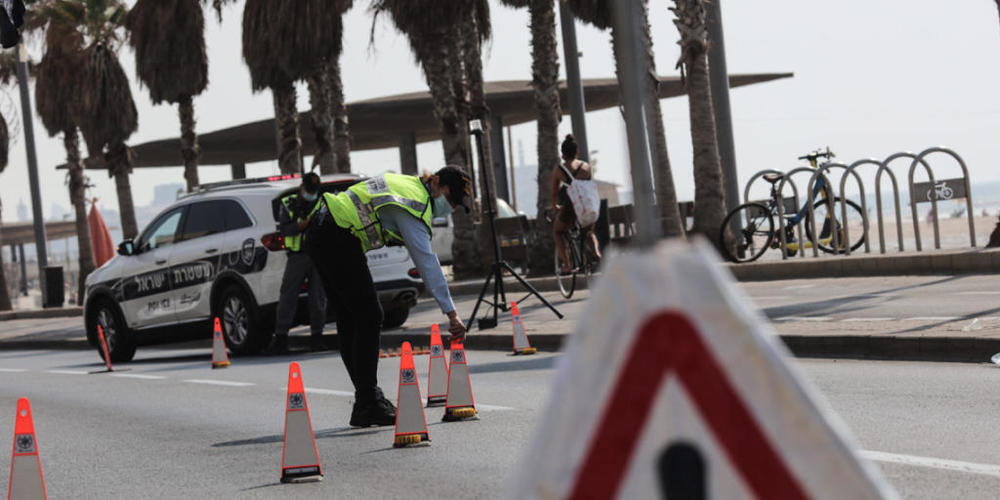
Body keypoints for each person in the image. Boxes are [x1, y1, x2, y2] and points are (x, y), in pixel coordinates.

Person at [304, 166, 472, 427]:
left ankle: (366, 401)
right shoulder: (414, 203)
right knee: (370, 316)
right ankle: (368, 401)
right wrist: (452, 313)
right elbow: (427, 262)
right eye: (450, 198)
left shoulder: (408, 185)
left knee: (352, 318)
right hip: (336, 232)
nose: (450, 206)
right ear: (436, 182)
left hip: (323, 227)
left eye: (456, 204)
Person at [268, 173, 328, 354]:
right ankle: (281, 339)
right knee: (288, 297)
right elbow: (285, 230)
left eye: (314, 191)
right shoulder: (289, 204)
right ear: (302, 188)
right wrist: (301, 226)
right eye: (309, 190)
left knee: (318, 298)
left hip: (318, 256)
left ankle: (317, 338)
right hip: (297, 257)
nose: (311, 194)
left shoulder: (322, 202)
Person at [551, 134, 601, 274]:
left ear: (563, 154)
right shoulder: (587, 167)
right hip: (590, 205)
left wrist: (554, 206)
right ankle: (597, 254)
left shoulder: (559, 169)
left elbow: (554, 193)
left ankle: (567, 264)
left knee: (557, 230)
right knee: (589, 232)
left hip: (572, 205)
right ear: (577, 152)